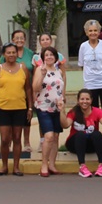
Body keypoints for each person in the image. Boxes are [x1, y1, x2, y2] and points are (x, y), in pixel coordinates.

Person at [0, 43, 34, 176]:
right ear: (4, 54)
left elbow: (28, 88)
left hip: (20, 107)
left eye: (14, 52)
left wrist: (30, 107)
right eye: (8, 52)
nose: (11, 55)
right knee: (4, 139)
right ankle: (4, 166)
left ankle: (16, 166)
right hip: (3, 107)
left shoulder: (23, 68)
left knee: (17, 138)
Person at [32, 46, 65, 178]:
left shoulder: (59, 71)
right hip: (43, 107)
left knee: (56, 136)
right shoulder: (40, 70)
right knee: (49, 136)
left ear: (56, 57)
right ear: (43, 57)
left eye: (52, 55)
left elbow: (62, 88)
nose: (49, 57)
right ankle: (44, 164)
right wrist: (43, 75)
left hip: (57, 107)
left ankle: (52, 164)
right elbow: (35, 87)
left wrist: (63, 102)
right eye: (46, 55)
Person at [60, 89, 102, 177]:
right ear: (78, 100)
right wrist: (62, 111)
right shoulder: (73, 112)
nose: (84, 101)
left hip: (90, 144)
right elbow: (65, 125)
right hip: (75, 144)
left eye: (87, 99)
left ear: (91, 100)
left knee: (97, 134)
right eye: (82, 99)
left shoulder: (97, 111)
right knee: (81, 134)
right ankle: (82, 166)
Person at [78, 19, 102, 108]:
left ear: (99, 32)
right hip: (90, 83)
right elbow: (82, 65)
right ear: (86, 32)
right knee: (93, 110)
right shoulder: (83, 46)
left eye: (95, 30)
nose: (93, 33)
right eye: (90, 31)